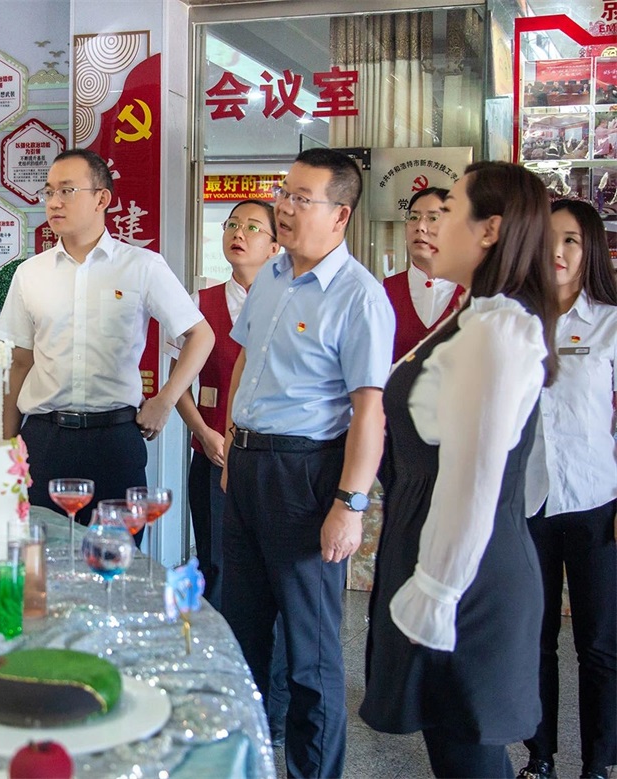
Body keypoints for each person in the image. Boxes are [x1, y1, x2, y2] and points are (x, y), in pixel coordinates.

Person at [360, 161, 559, 779]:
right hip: (434, 544)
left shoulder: (497, 331)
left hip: (464, 568)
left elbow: (474, 481)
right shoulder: (473, 316)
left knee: (467, 750)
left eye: (447, 212)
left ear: (489, 230)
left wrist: (436, 592)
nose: (429, 226)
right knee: (451, 747)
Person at [220, 148, 394, 778]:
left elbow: (369, 412)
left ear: (340, 214)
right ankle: (250, 763)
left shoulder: (359, 297)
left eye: (301, 198)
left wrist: (350, 505)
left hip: (306, 474)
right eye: (283, 193)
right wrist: (232, 443)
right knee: (243, 635)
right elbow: (245, 359)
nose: (284, 207)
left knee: (309, 653)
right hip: (247, 468)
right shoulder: (270, 275)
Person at [0, 148, 214, 526]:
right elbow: (20, 362)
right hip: (45, 439)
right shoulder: (30, 273)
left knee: (118, 550)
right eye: (49, 192)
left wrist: (165, 400)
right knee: (42, 550)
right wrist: (5, 445)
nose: (54, 202)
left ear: (102, 199)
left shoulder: (141, 266)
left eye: (67, 191)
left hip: (114, 439)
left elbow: (200, 335)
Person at [518, 199, 617, 779]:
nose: (556, 251)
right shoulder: (514, 323)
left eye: (571, 240)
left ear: (590, 249)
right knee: (535, 640)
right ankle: (540, 756)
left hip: (595, 501)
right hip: (528, 503)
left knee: (599, 642)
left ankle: (599, 764)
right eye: (548, 238)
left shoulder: (609, 323)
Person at [170, 199, 279, 607]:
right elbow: (177, 384)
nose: (238, 233)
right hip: (212, 454)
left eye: (252, 227)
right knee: (215, 561)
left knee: (269, 565)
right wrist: (202, 432)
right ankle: (215, 641)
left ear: (275, 246)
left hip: (271, 459)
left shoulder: (288, 301)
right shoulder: (200, 303)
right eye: (232, 224)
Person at [383, 187, 464, 363]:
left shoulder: (473, 291)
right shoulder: (385, 291)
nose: (420, 227)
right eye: (414, 218)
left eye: (433, 218)